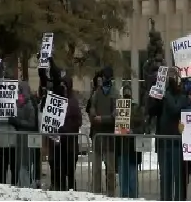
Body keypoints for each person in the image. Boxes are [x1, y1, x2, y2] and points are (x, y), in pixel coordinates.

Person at [148, 69, 190, 200]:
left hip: (177, 144)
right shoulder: (163, 96)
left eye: (173, 78)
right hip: (163, 144)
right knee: (165, 178)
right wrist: (154, 96)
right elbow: (151, 111)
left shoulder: (183, 97)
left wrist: (165, 95)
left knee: (179, 178)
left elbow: (175, 109)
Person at [48, 70, 82, 192]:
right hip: (57, 145)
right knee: (59, 171)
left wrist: (66, 128)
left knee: (70, 173)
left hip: (70, 144)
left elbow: (78, 121)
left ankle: (72, 192)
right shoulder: (55, 100)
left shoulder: (73, 101)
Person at [88, 66, 118, 197]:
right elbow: (92, 107)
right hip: (98, 136)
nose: (103, 80)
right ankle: (96, 194)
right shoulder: (97, 92)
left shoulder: (115, 93)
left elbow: (116, 115)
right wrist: (93, 114)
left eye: (105, 77)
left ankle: (111, 195)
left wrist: (102, 119)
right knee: (96, 170)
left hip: (110, 137)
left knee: (111, 170)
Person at [114, 83, 146, 198]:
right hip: (121, 147)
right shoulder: (118, 108)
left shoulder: (137, 108)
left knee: (132, 177)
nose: (127, 94)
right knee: (123, 177)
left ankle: (134, 198)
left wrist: (134, 131)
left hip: (133, 148)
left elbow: (142, 126)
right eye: (125, 92)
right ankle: (124, 198)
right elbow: (115, 124)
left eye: (129, 92)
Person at [9, 81, 40, 188]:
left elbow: (32, 123)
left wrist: (18, 122)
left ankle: (27, 184)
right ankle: (21, 183)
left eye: (20, 91)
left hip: (27, 138)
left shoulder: (30, 105)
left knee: (26, 163)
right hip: (20, 138)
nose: (19, 94)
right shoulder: (18, 104)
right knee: (19, 162)